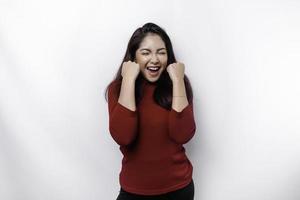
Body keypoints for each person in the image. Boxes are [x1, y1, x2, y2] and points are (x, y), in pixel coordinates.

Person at [105, 22, 196, 200]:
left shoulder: (178, 85)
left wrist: (178, 81)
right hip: (133, 191)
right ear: (134, 57)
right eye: (146, 52)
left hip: (178, 190)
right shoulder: (118, 89)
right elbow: (123, 136)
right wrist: (128, 80)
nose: (154, 59)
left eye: (161, 52)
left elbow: (183, 134)